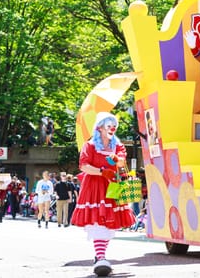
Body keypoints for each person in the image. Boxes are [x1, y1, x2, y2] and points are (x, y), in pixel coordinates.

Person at [71, 112, 135, 277]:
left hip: (113, 186)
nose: (112, 128)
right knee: (98, 221)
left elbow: (121, 163)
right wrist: (101, 171)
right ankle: (101, 257)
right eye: (109, 125)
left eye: (114, 126)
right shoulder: (90, 145)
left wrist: (116, 161)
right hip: (95, 186)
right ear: (99, 127)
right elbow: (84, 166)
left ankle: (100, 257)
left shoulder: (118, 145)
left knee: (109, 222)